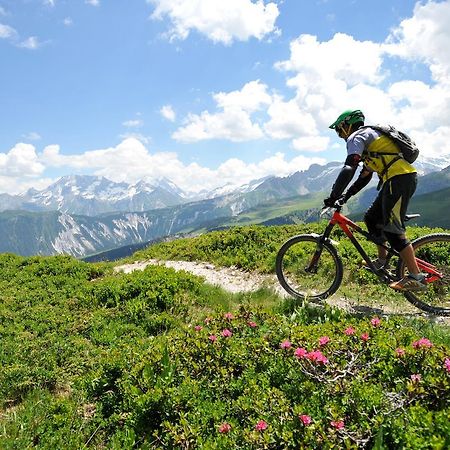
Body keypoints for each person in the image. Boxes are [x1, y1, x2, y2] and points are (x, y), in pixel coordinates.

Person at [324, 109, 426, 291]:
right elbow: (364, 176)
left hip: (400, 179)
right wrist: (344, 197)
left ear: (347, 125)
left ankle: (416, 277)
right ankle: (381, 261)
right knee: (372, 218)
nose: (340, 135)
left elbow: (350, 167)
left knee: (393, 231)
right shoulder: (370, 140)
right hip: (395, 180)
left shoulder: (357, 136)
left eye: (339, 130)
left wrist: (332, 196)